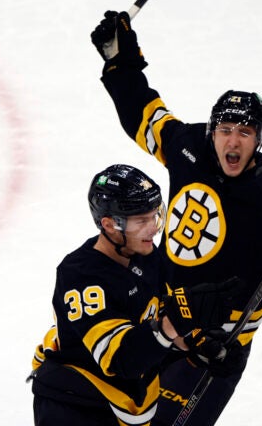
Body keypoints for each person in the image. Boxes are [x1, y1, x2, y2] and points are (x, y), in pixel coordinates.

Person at [90, 11, 262, 426]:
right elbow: (142, 114)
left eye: (245, 133)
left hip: (217, 348)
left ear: (259, 140)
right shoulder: (187, 146)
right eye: (225, 128)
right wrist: (120, 62)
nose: (233, 140)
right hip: (160, 318)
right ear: (212, 130)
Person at [29, 164, 238, 426]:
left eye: (154, 216)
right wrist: (173, 324)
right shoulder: (82, 277)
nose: (153, 227)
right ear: (110, 225)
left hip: (126, 401)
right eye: (142, 220)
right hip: (75, 403)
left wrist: (196, 343)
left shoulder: (148, 256)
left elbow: (162, 316)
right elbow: (119, 359)